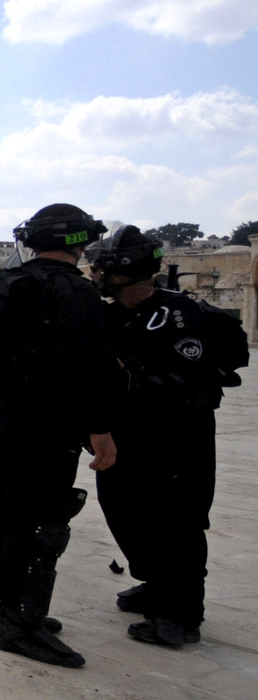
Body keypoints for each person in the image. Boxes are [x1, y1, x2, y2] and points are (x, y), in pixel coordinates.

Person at [0, 203, 120, 669]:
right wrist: (100, 430)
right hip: (46, 425)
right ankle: (18, 622)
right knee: (42, 519)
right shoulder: (73, 293)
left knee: (7, 506)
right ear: (79, 243)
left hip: (0, 419)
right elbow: (87, 369)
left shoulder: (1, 286)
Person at [90, 225, 248, 648]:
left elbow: (188, 379)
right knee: (122, 507)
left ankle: (181, 614)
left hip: (179, 438)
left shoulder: (177, 315)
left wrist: (135, 380)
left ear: (124, 272)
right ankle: (157, 583)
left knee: (177, 522)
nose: (95, 273)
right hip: (128, 436)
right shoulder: (111, 314)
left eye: (102, 267)